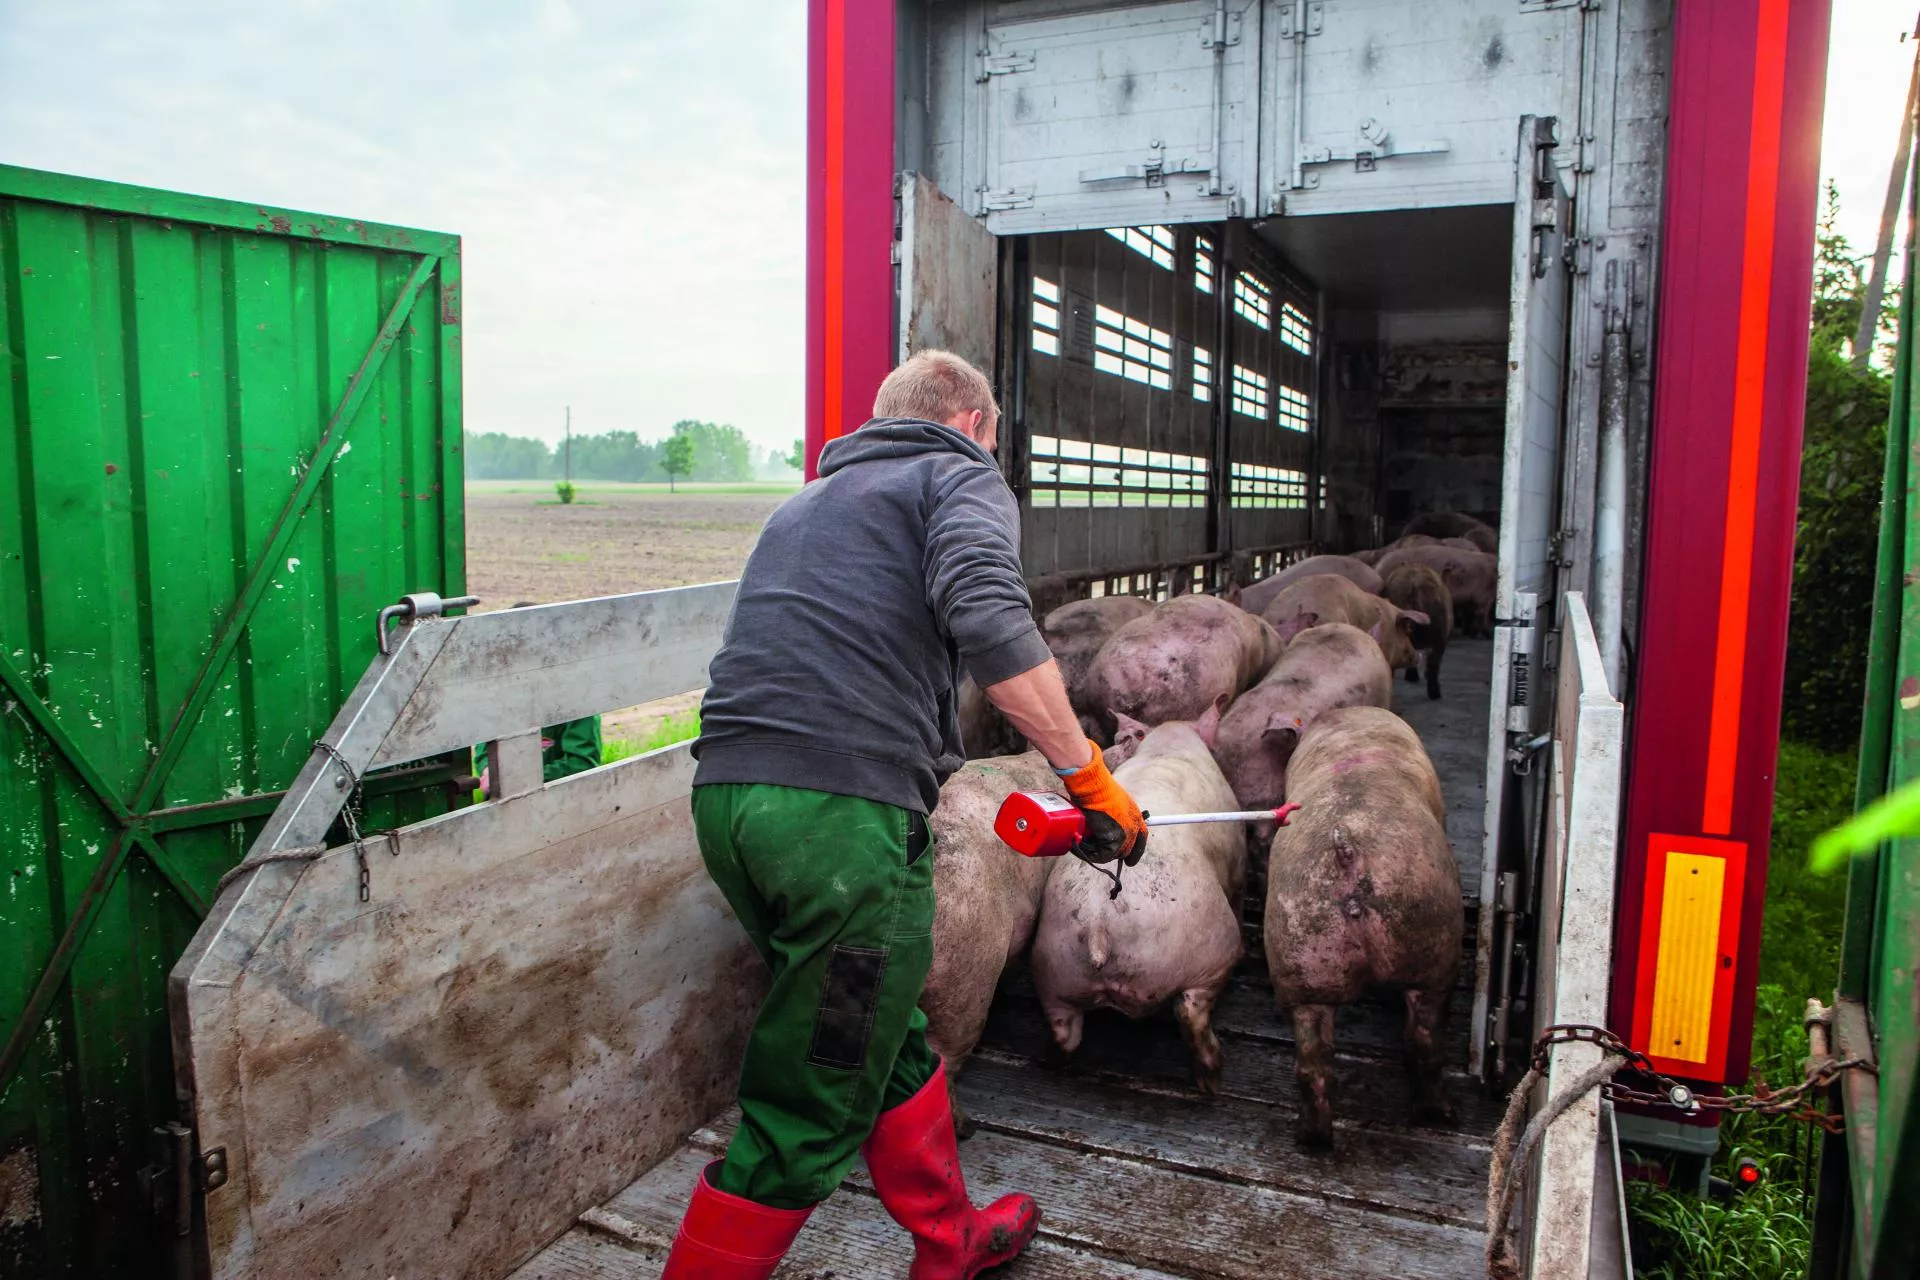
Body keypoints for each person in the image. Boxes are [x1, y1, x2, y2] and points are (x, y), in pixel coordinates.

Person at [661, 351, 1148, 1278]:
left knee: (881, 1028)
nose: (992, 457)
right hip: (840, 827)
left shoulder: (801, 506)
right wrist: (1087, 776)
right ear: (970, 423)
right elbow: (992, 618)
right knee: (809, 1100)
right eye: (993, 441)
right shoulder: (956, 476)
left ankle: (949, 1235)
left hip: (731, 803)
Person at [473, 602, 604, 794]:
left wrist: (520, 779)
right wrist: (488, 769)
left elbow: (582, 762)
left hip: (559, 798)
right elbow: (484, 745)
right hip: (504, 801)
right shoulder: (500, 691)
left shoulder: (575, 694)